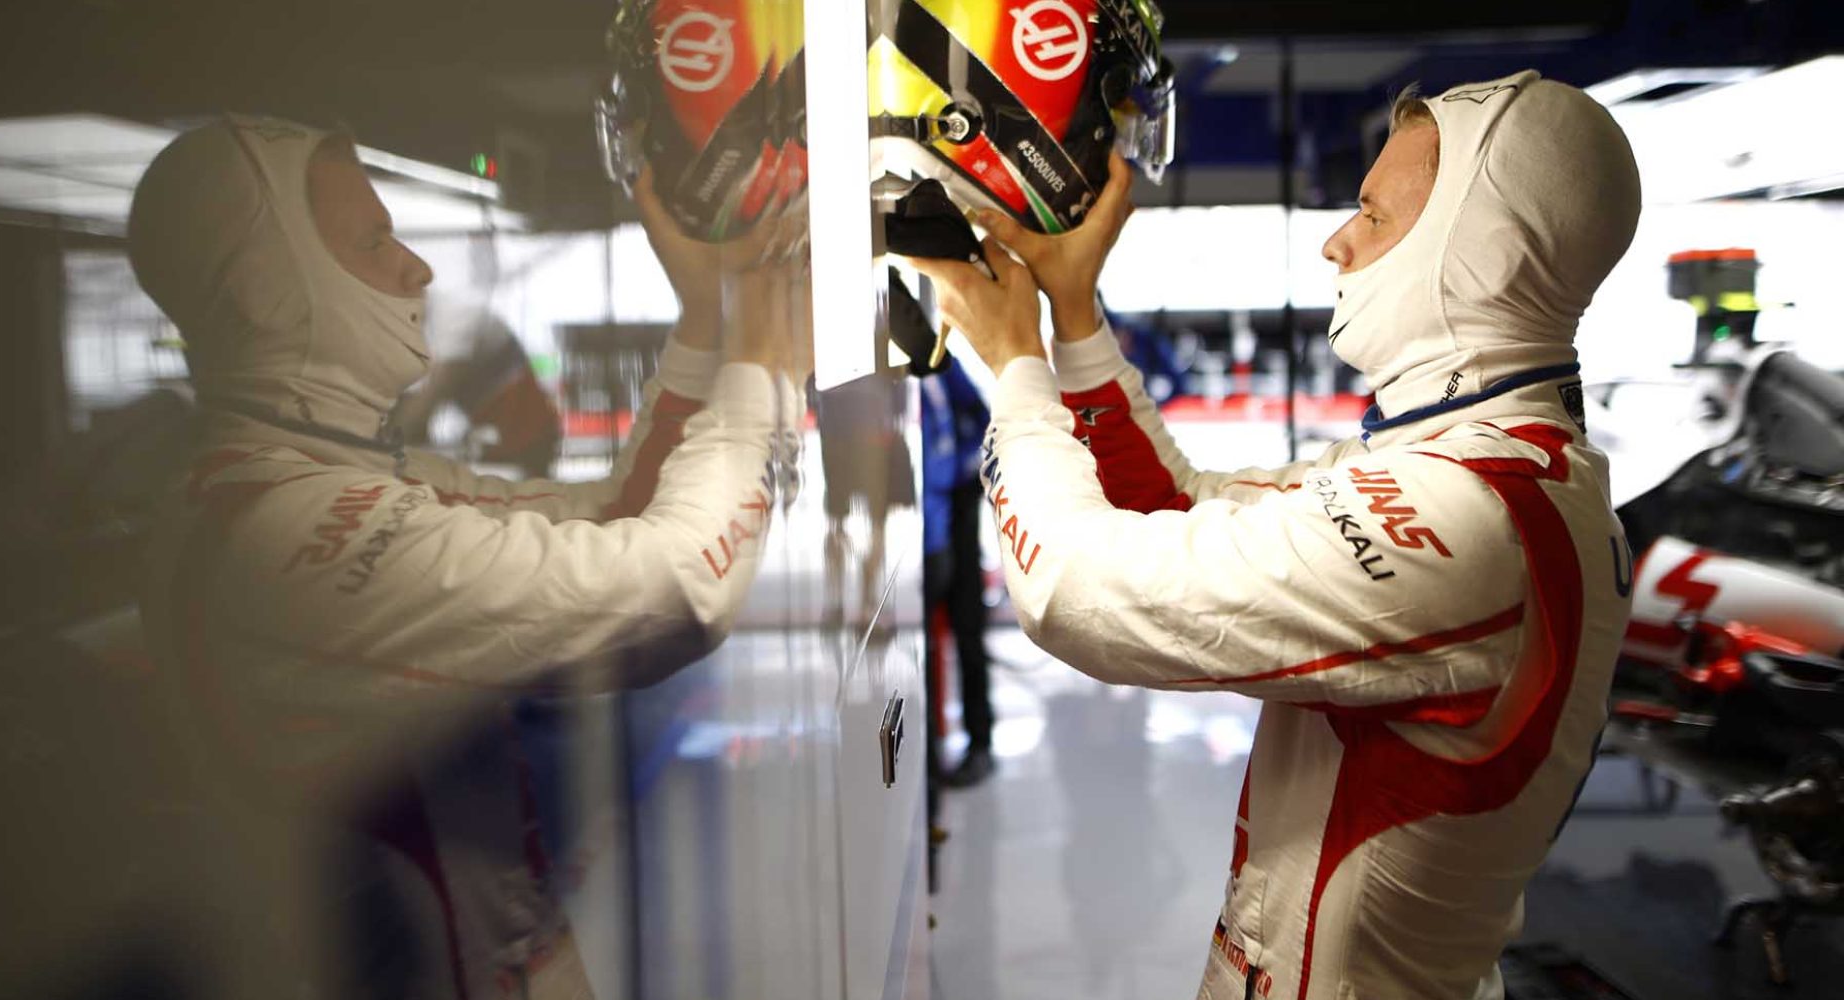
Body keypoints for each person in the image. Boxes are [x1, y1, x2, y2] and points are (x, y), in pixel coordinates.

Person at [907, 71, 1641, 1000]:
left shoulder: (1471, 518)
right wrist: (1073, 311)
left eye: (1371, 215)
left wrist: (1015, 367)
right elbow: (1173, 506)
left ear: (1482, 255)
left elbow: (1076, 590)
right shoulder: (1496, 475)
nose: (1338, 241)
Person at [128, 115, 800, 999]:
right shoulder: (278, 531)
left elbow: (613, 517)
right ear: (270, 291)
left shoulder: (315, 481)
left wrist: (711, 325)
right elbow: (678, 589)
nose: (417, 268)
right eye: (373, 240)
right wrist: (761, 358)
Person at [921, 361, 995, 787]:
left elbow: (982, 417)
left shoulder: (937, 362)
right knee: (921, 648)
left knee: (969, 635)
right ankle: (927, 758)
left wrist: (969, 464)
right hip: (919, 526)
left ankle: (980, 745)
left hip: (957, 513)